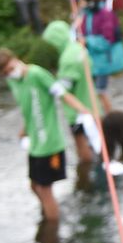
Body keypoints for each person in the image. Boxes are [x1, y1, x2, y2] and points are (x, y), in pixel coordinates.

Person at [0, 47, 92, 225]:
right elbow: (28, 108)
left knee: (45, 189)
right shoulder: (13, 82)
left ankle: (52, 231)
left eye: (10, 68)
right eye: (5, 73)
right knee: (34, 186)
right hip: (35, 144)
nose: (10, 73)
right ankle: (50, 214)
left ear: (15, 59)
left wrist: (86, 112)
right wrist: (25, 130)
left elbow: (63, 95)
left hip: (50, 143)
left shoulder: (37, 74)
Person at [41, 20, 97, 166]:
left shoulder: (67, 58)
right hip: (92, 104)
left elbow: (64, 88)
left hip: (77, 111)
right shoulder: (79, 48)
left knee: (81, 144)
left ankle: (86, 173)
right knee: (96, 140)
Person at [75, 0, 123, 111]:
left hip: (103, 62)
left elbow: (106, 41)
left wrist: (87, 40)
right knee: (90, 93)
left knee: (99, 92)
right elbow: (79, 34)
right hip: (90, 62)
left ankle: (109, 120)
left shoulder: (105, 14)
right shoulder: (85, 15)